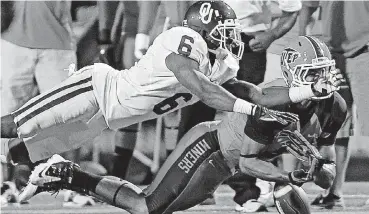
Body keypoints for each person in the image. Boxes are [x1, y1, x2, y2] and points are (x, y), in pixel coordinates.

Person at [1, 0, 339, 193]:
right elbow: (201, 88)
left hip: (105, 119)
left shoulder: (219, 63)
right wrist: (247, 109)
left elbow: (257, 93)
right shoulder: (183, 38)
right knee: (15, 126)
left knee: (24, 151)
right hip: (94, 91)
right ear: (203, 27)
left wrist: (307, 89)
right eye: (223, 31)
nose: (229, 38)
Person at [19, 35, 346, 214]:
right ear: (296, 76)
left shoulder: (335, 107)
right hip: (210, 149)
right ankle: (66, 174)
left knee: (150, 209)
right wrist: (287, 176)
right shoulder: (271, 104)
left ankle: (64, 173)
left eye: (324, 72)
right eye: (313, 73)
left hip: (228, 164)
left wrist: (317, 168)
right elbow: (249, 160)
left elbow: (324, 160)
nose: (322, 81)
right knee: (146, 207)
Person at [0, 0, 76, 205]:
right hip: (11, 39)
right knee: (5, 112)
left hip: (57, 41)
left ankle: (73, 183)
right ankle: (5, 183)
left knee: (67, 113)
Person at [299, 1, 369, 209]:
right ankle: (335, 193)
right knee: (337, 126)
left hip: (365, 52)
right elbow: (308, 7)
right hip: (330, 56)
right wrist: (303, 45)